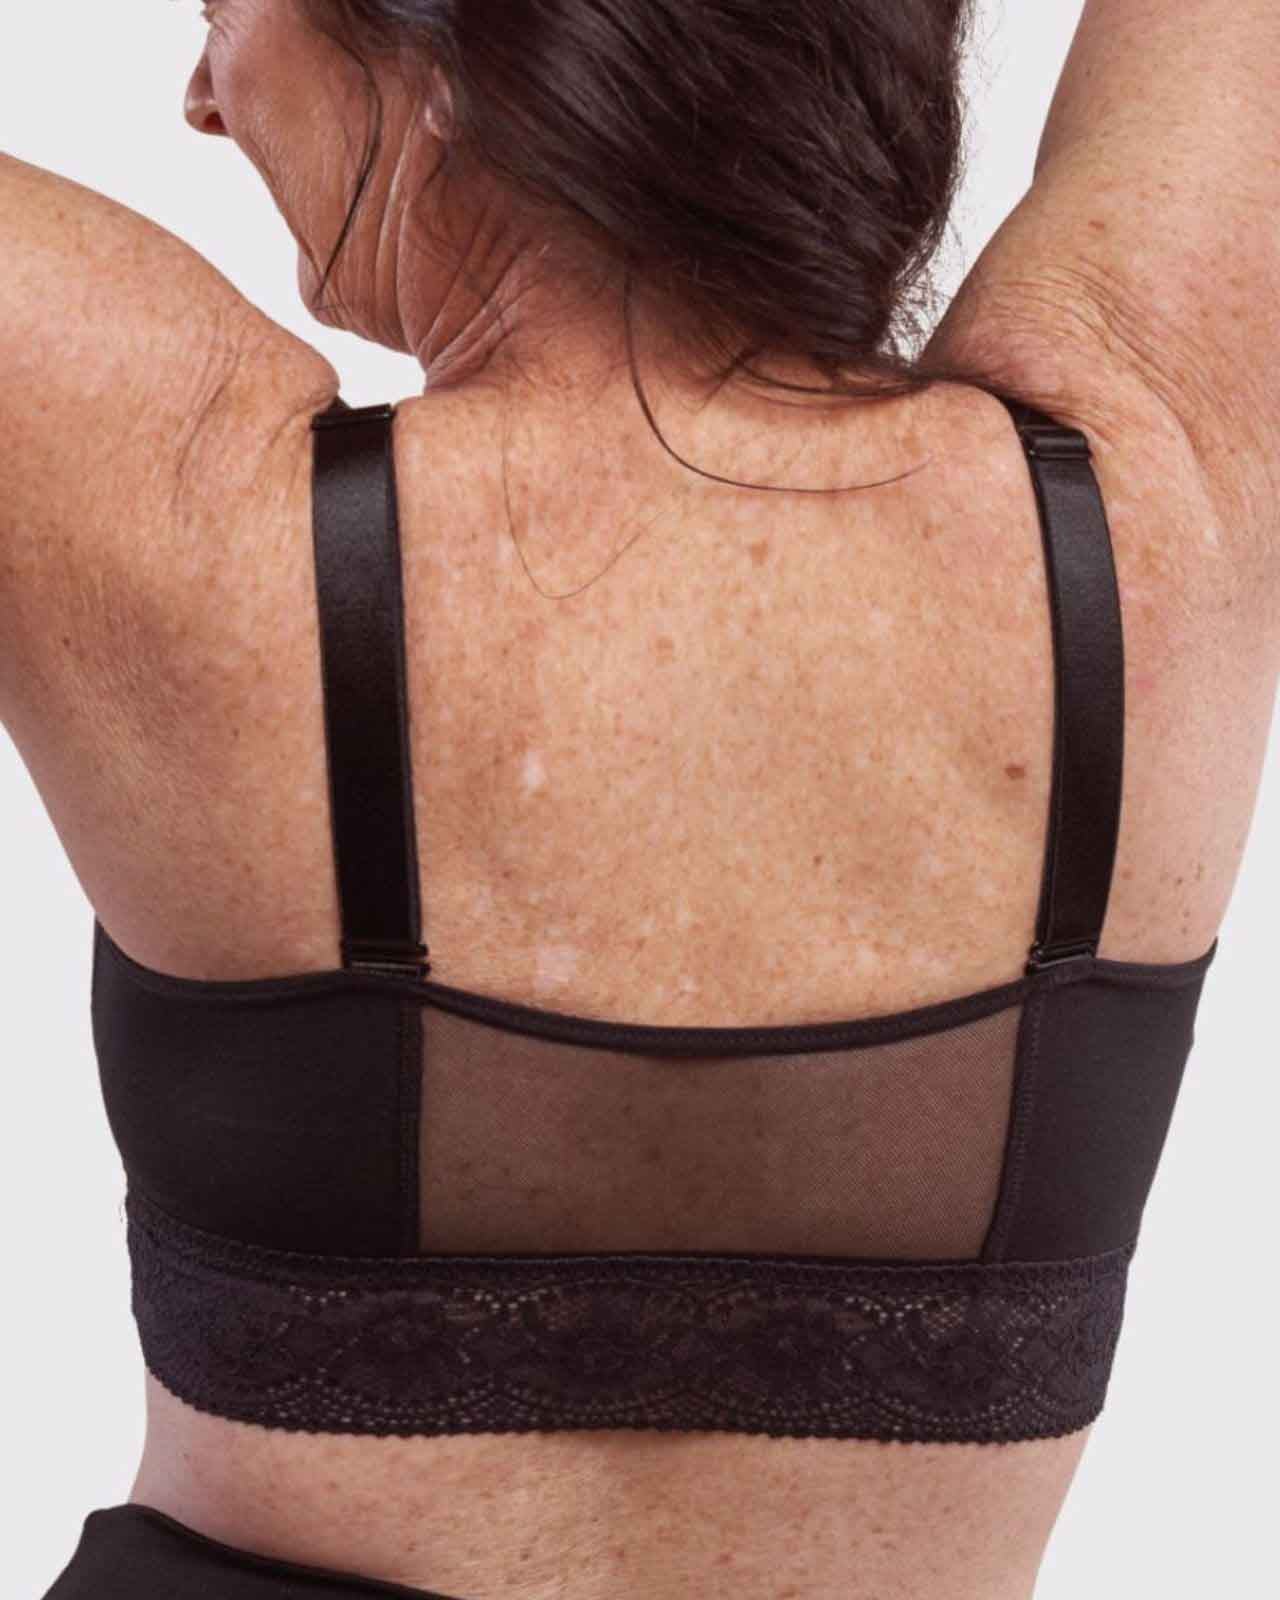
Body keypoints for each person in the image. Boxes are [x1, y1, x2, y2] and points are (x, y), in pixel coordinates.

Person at [10, 1, 1277, 1596]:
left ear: (448, 51)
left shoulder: (189, 519)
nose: (202, 95)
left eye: (221, 13)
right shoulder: (1151, 501)